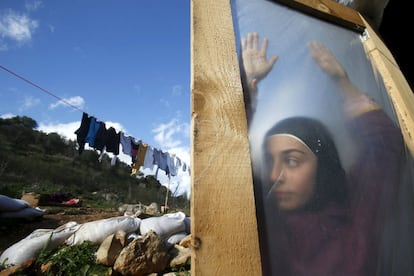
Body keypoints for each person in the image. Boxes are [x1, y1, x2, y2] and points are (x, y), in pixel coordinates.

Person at [241, 32, 406, 275]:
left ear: (323, 165)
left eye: (292, 160)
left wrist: (342, 82)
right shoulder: (258, 224)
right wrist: (246, 89)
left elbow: (385, 148)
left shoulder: (355, 219)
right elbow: (224, 169)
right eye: (269, 160)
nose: (276, 174)